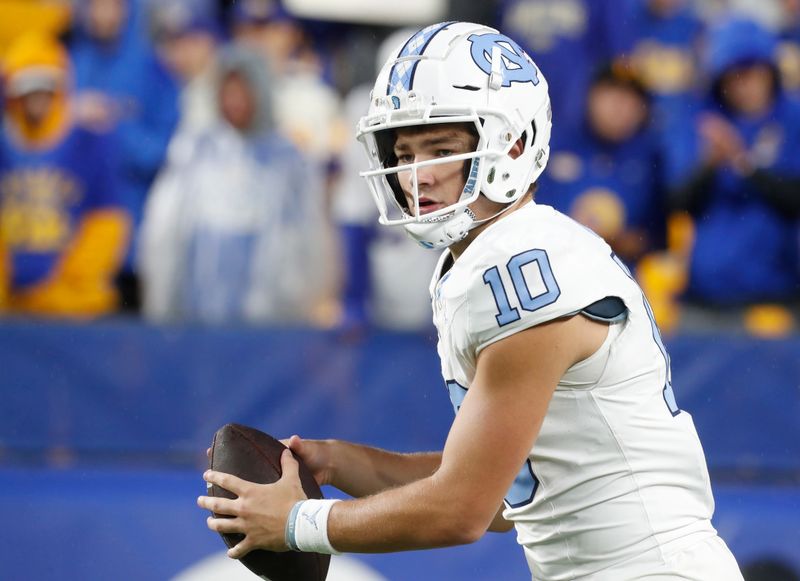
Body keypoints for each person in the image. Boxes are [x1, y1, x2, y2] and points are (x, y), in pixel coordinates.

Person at [198, 22, 743, 580]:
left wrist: (297, 523)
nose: (416, 174)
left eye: (440, 148)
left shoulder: (523, 267)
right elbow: (505, 485)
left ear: (513, 142)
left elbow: (463, 509)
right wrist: (340, 462)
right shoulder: (490, 257)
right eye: (403, 150)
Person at [138, 46, 335, 325]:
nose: (235, 101)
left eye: (243, 92)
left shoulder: (286, 158)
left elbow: (308, 235)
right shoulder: (195, 149)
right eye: (227, 92)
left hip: (268, 317)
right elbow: (165, 229)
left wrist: (303, 303)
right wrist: (162, 302)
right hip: (199, 313)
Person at [666, 17, 800, 330]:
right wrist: (709, 164)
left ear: (770, 72)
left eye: (753, 73)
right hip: (705, 297)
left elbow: (795, 198)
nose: (744, 84)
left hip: (776, 299)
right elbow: (677, 202)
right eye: (735, 76)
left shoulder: (793, 120)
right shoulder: (703, 121)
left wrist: (743, 163)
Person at [0, 33, 128, 317]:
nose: (37, 99)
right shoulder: (4, 146)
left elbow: (107, 222)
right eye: (27, 90)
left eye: (45, 89)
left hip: (69, 307)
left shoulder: (88, 141)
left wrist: (65, 285)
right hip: (9, 308)